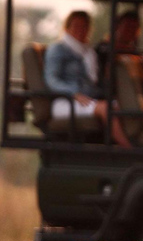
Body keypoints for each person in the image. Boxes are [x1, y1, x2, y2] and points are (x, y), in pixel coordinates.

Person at [44, 10, 131, 148]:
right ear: (67, 28)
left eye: (85, 26)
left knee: (122, 105)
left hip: (88, 99)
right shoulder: (58, 49)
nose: (81, 30)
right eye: (77, 26)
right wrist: (73, 92)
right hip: (66, 101)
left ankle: (129, 142)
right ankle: (129, 149)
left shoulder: (89, 52)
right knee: (105, 108)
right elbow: (51, 80)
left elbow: (95, 83)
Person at [96, 10, 141, 84]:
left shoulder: (136, 54)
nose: (131, 31)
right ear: (117, 27)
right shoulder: (103, 49)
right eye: (128, 26)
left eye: (134, 27)